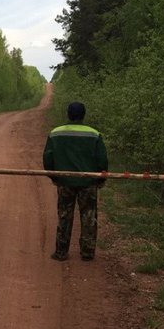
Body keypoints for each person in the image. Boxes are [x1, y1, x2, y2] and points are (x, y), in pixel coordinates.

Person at [42, 102, 108, 262]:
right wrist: (101, 178)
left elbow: (47, 158)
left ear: (68, 114)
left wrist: (54, 177)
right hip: (88, 183)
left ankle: (61, 252)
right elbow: (102, 159)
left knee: (64, 216)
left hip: (65, 182)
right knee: (88, 217)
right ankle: (87, 252)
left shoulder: (55, 134)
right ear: (84, 115)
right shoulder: (94, 134)